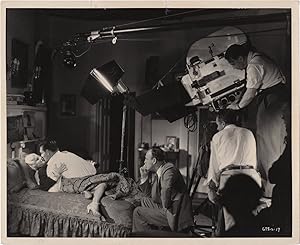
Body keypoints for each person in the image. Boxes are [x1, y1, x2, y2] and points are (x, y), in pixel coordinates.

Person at [224, 44, 289, 197]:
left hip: (273, 103)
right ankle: (272, 188)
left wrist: (238, 106)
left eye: (233, 63)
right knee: (272, 144)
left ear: (241, 58)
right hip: (276, 100)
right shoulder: (260, 57)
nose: (235, 67)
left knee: (269, 146)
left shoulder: (254, 65)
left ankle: (271, 191)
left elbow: (251, 92)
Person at [205, 109, 261, 232]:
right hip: (251, 177)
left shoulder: (218, 136)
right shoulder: (248, 133)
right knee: (252, 217)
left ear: (223, 123)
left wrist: (211, 187)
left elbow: (214, 164)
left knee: (232, 220)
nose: (218, 128)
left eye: (218, 125)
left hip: (231, 178)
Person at [132, 147, 194, 234]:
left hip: (174, 213)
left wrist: (164, 207)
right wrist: (144, 177)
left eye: (146, 159)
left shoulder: (169, 170)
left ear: (154, 161)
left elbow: (166, 188)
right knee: (144, 200)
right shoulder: (158, 172)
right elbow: (148, 196)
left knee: (138, 212)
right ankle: (153, 233)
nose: (144, 162)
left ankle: (146, 239)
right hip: (167, 207)